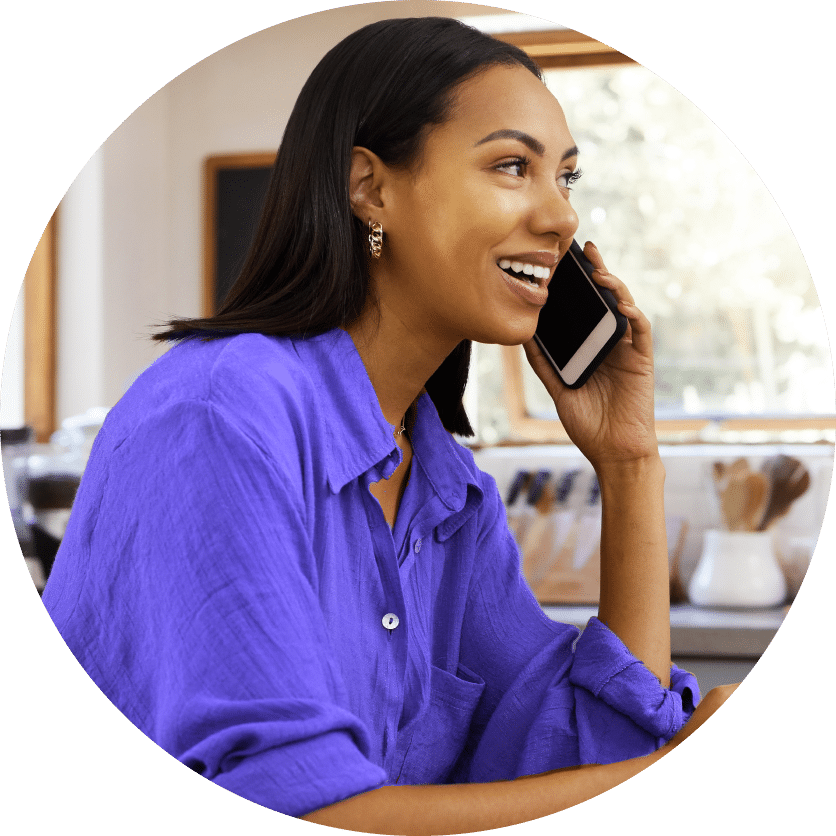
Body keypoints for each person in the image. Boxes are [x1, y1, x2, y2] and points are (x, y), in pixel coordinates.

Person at [43, 16, 737, 834]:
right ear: (370, 187)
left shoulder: (447, 494)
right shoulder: (222, 416)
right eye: (512, 166)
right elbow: (303, 809)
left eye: (567, 179)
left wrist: (629, 464)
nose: (560, 219)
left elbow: (586, 756)